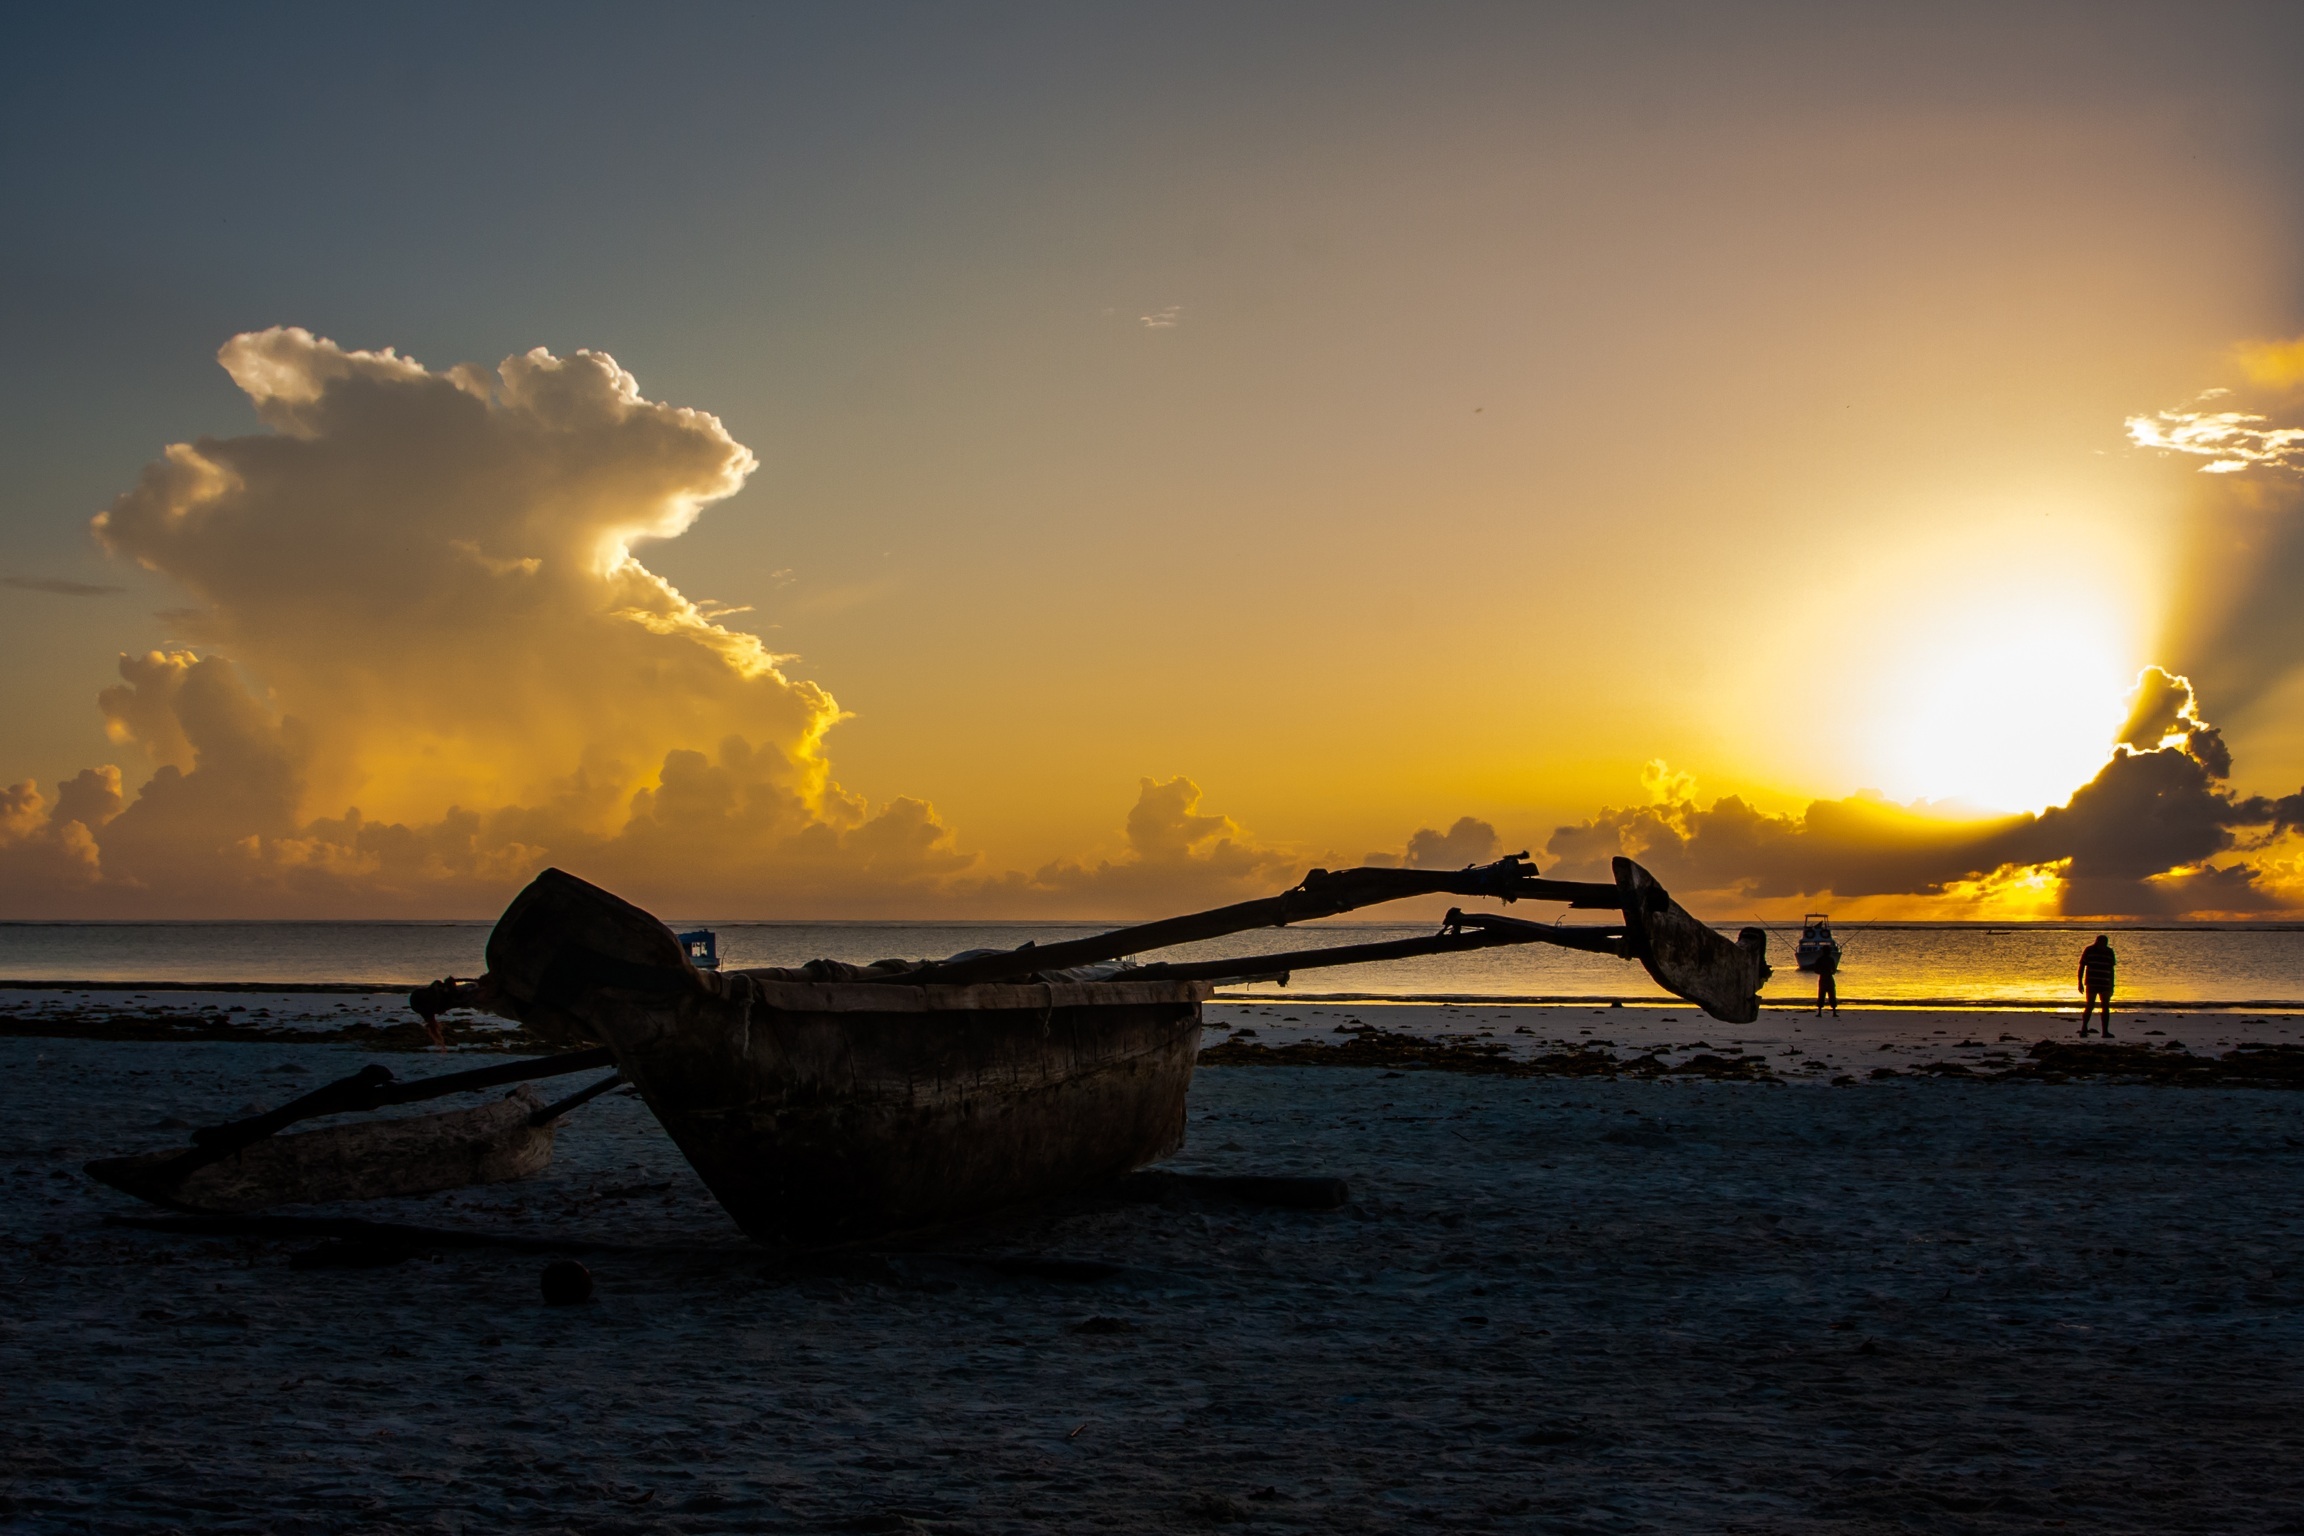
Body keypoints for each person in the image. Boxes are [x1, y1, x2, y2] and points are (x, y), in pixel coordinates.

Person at [2077, 934, 2117, 1036]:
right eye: (2102, 943)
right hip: (2092, 982)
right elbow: (2082, 966)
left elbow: (2111, 970)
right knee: (2090, 1005)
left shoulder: (2109, 952)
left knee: (2105, 1006)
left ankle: (2105, 1031)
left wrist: (2112, 985)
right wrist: (2079, 982)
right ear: (2097, 942)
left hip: (2105, 983)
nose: (2103, 945)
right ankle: (2084, 1028)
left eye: (2105, 943)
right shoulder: (2089, 950)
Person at [1814, 940, 1839, 1016]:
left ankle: (1819, 1012)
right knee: (1832, 995)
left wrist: (1821, 972)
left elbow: (1815, 970)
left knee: (1821, 995)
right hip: (1829, 978)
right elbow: (1834, 970)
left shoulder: (1820, 959)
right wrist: (1831, 973)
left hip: (1823, 978)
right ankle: (1834, 1012)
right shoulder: (1831, 959)